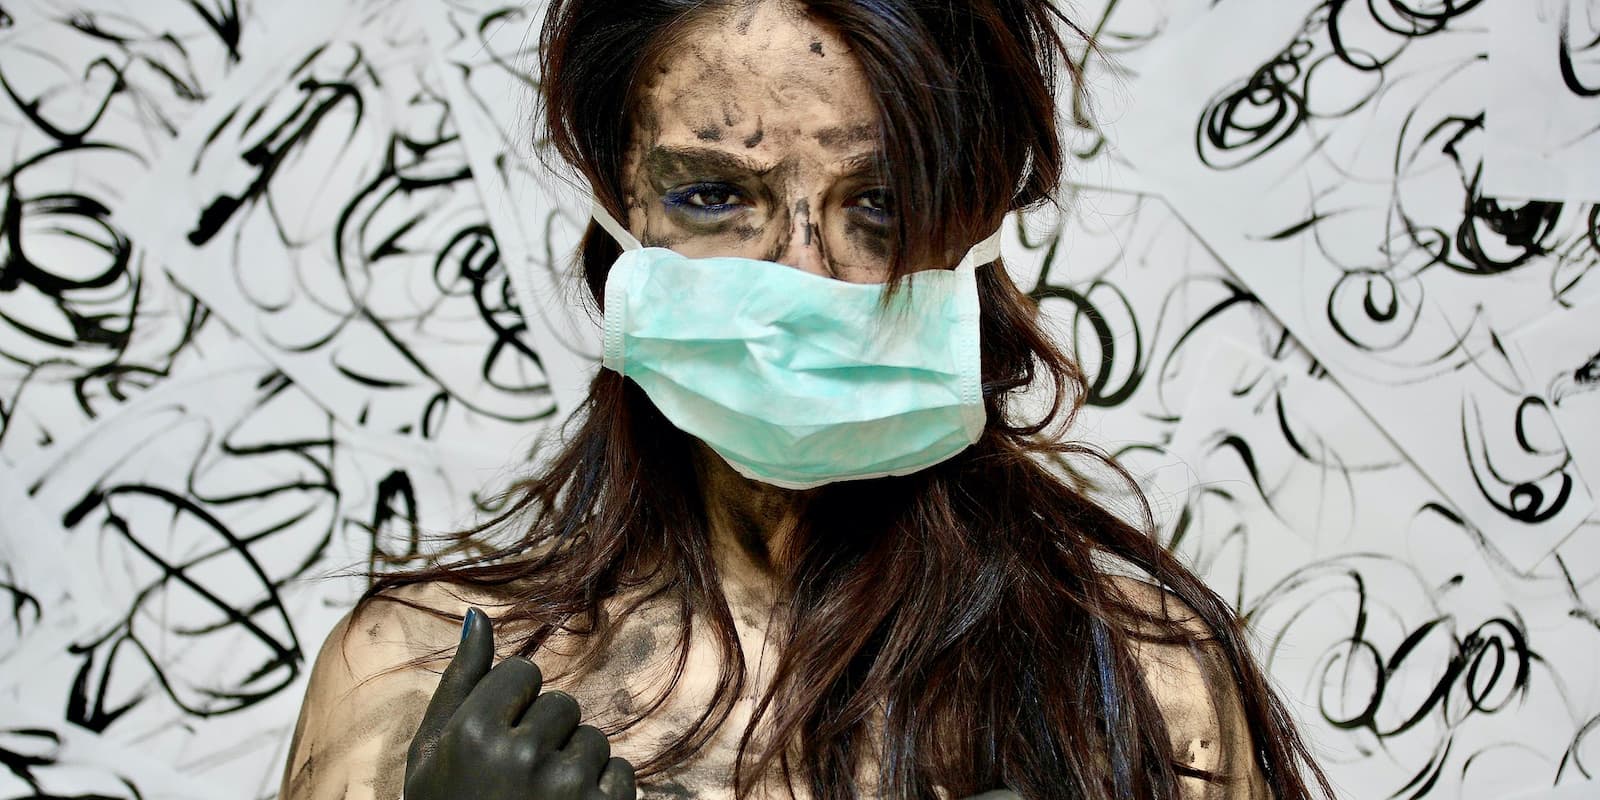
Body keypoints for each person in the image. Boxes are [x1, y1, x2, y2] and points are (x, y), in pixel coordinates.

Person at [278, 1, 1335, 798]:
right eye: (713, 194)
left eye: (879, 203)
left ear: (976, 226)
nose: (804, 275)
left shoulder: (1142, 691)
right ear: (617, 205)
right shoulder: (413, 684)